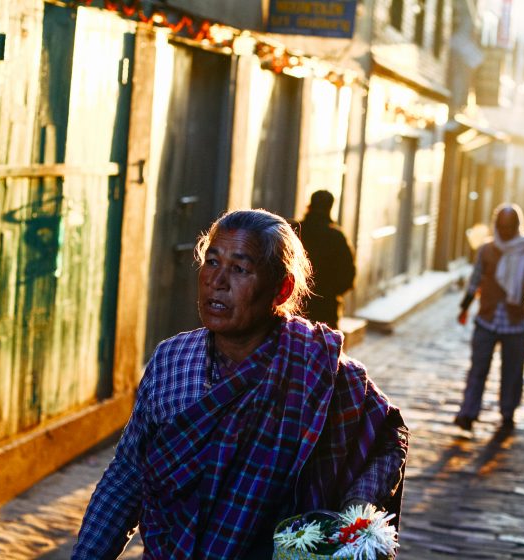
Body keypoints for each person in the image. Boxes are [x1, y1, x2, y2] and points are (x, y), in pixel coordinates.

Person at [72, 209, 407, 559]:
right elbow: (128, 474)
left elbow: (388, 437)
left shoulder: (323, 372)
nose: (217, 281)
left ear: (282, 288)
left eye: (240, 269)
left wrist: (355, 512)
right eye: (212, 261)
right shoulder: (172, 360)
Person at [454, 204, 524, 433]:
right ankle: (468, 413)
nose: (505, 232)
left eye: (510, 227)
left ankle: (508, 413)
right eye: (501, 227)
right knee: (478, 368)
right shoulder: (487, 249)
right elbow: (475, 280)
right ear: (496, 226)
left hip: (515, 322)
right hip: (487, 318)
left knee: (513, 372)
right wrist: (465, 307)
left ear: (518, 227)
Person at [297, 190, 356, 330]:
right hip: (326, 307)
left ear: (310, 205)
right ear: (330, 208)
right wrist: (329, 291)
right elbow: (348, 276)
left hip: (295, 304)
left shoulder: (296, 230)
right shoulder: (337, 237)